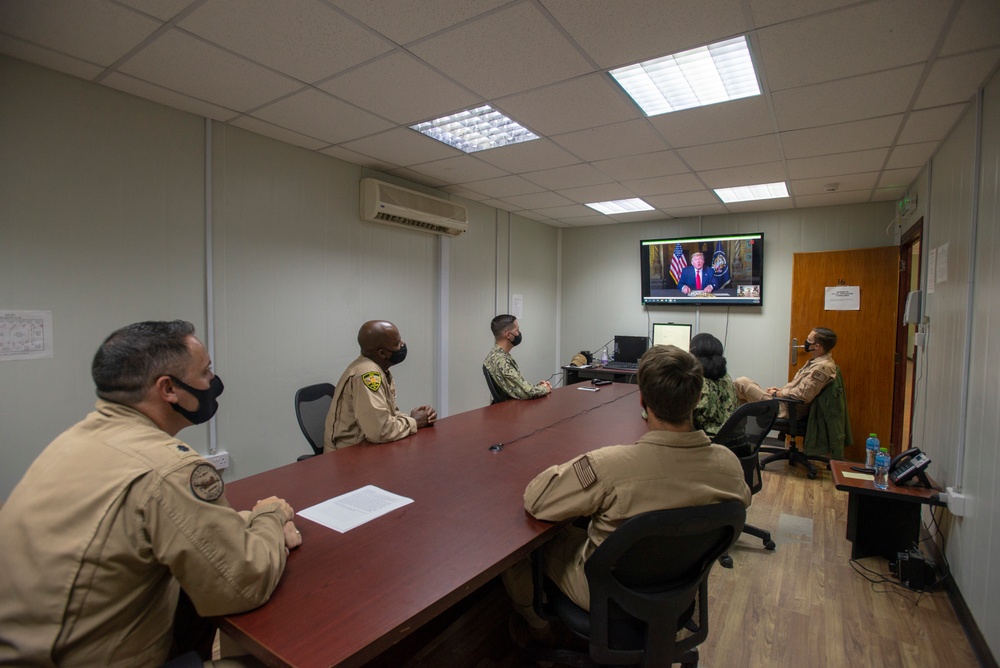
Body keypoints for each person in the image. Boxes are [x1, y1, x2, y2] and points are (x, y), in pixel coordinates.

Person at [0, 320, 301, 666]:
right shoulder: (169, 468)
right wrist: (270, 517)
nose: (212, 384)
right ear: (168, 389)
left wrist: (242, 522)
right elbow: (243, 584)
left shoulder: (73, 441)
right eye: (206, 373)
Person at [502, 345, 750, 639]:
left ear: (642, 399)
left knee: (519, 547)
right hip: (680, 587)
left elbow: (537, 501)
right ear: (697, 399)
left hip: (606, 595)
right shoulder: (730, 465)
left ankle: (537, 627)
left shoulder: (609, 466)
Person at [324, 320, 436, 451]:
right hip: (348, 457)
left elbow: (385, 416)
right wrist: (414, 422)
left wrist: (414, 417)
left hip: (366, 447)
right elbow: (380, 431)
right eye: (397, 343)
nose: (402, 345)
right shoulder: (368, 375)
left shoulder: (379, 369)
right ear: (382, 353)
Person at [734, 327, 838, 419]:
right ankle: (734, 432)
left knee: (741, 383)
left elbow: (804, 395)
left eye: (809, 340)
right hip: (784, 403)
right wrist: (780, 390)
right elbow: (800, 387)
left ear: (817, 346)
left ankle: (728, 430)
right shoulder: (816, 362)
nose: (806, 342)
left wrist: (777, 393)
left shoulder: (821, 367)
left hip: (787, 409)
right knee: (741, 397)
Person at [483, 315, 551, 400]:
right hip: (513, 409)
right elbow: (526, 392)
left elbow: (517, 387)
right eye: (517, 330)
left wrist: (539, 387)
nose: (519, 333)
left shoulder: (495, 354)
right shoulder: (502, 361)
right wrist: (545, 388)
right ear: (508, 335)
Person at [690, 332, 737, 438]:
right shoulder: (727, 378)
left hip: (703, 442)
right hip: (728, 439)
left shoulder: (697, 382)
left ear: (693, 354)